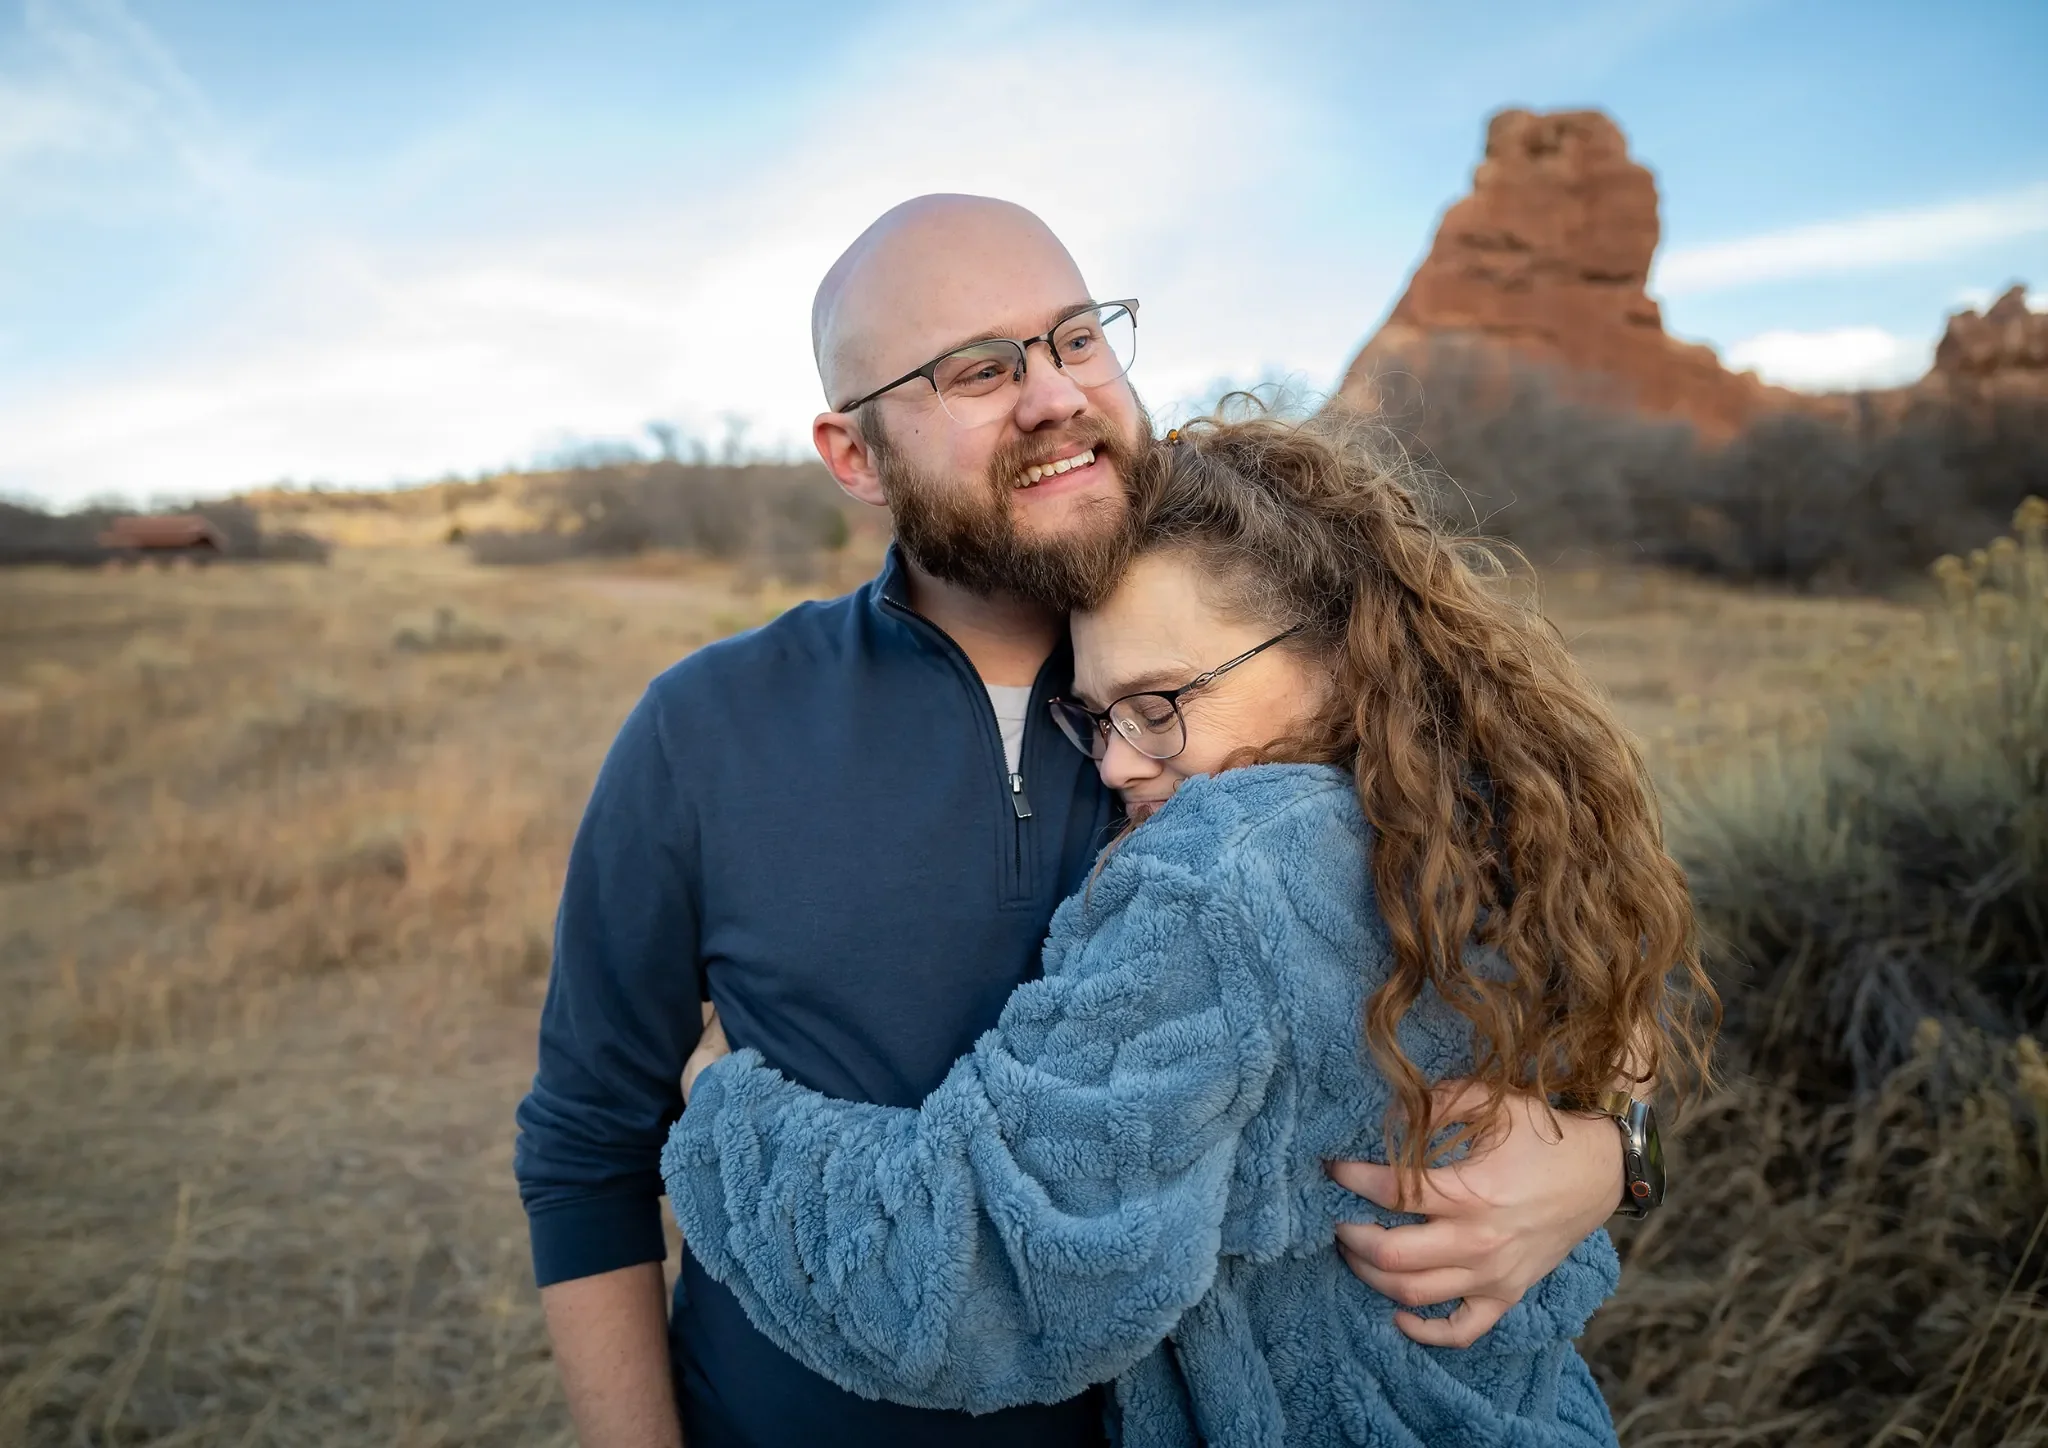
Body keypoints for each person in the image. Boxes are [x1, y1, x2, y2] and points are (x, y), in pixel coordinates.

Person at [514, 195, 1647, 1448]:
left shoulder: (1250, 695)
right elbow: (585, 1145)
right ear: (854, 455)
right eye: (979, 369)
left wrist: (1606, 1154)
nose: (1051, 393)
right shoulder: (705, 726)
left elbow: (1584, 972)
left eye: (1075, 338)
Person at [659, 409, 1712, 1444]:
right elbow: (1621, 1054)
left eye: (1161, 699)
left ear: (1335, 654)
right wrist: (1617, 1150)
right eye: (1096, 713)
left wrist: (722, 1108)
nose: (1115, 760)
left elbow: (978, 1284)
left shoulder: (1223, 867)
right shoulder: (1490, 820)